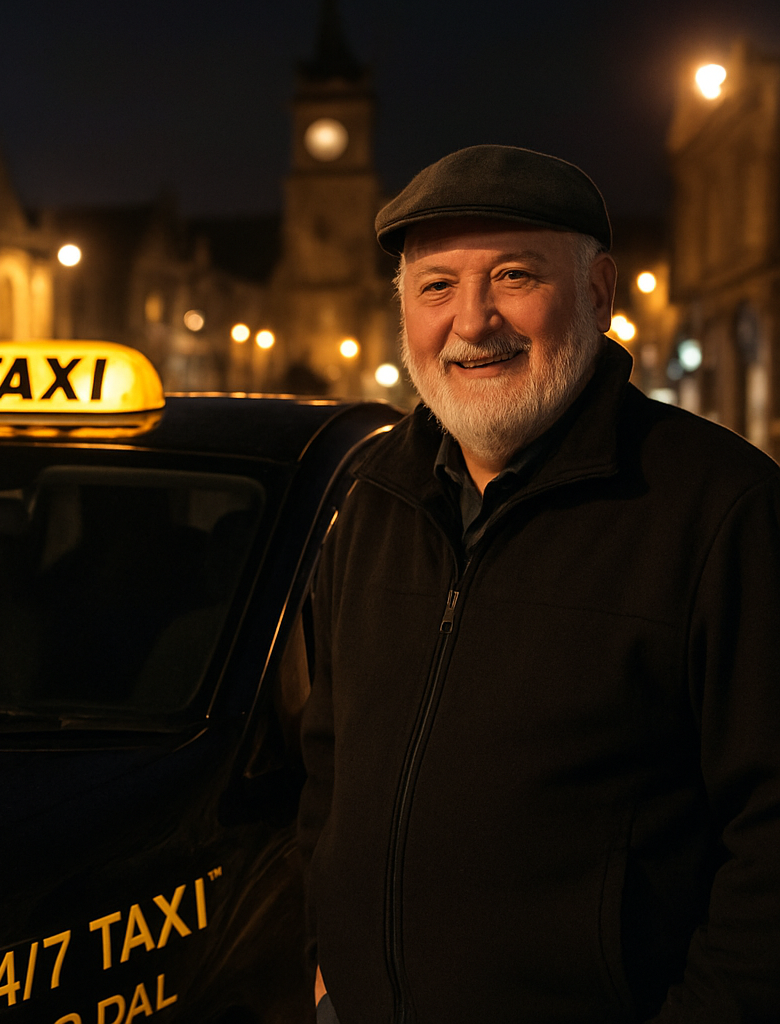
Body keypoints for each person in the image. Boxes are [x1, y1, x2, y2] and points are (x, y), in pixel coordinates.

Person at [298, 145, 780, 1024]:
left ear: (597, 292)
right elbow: (329, 762)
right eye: (436, 286)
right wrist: (330, 965)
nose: (473, 321)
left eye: (514, 277)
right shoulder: (374, 497)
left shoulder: (720, 509)